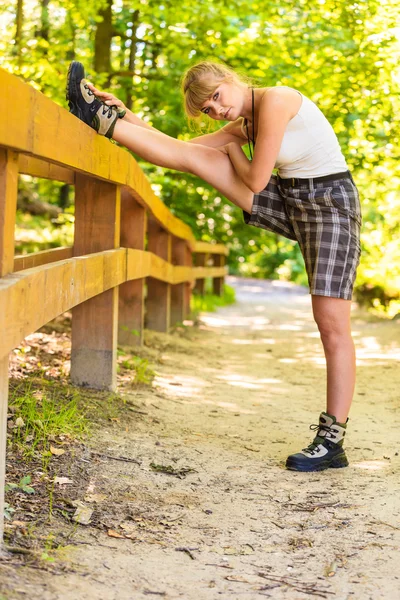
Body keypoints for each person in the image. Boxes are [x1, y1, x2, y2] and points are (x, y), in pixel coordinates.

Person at [66, 60, 362, 472]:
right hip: (294, 197)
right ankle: (104, 120)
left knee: (330, 323)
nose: (217, 111)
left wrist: (232, 150)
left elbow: (257, 181)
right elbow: (182, 149)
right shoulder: (243, 123)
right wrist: (126, 116)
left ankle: (332, 442)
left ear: (231, 81)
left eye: (217, 99)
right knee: (197, 160)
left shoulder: (276, 101)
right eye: (208, 110)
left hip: (330, 205)